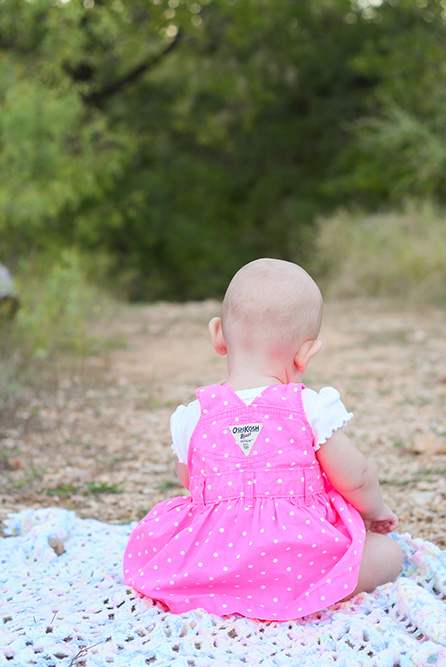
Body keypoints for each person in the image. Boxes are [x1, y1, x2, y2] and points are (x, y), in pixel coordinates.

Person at [123, 258, 404, 621]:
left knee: (171, 549)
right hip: (296, 561)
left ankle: (214, 591)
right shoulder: (309, 407)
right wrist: (375, 512)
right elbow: (356, 476)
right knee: (389, 554)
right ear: (306, 353)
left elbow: (191, 479)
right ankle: (299, 594)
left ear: (218, 335)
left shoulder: (194, 415)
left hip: (215, 562)